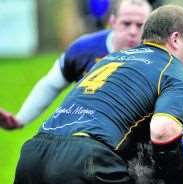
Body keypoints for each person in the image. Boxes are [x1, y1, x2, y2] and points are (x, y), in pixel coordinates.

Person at [7, 4, 183, 184]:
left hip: (35, 154)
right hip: (86, 159)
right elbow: (163, 131)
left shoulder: (112, 58)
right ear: (176, 39)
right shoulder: (176, 72)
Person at [0, 0, 152, 130]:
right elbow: (51, 85)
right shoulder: (83, 49)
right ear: (112, 22)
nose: (133, 31)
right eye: (126, 23)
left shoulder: (162, 58)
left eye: (140, 25)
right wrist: (20, 119)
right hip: (90, 140)